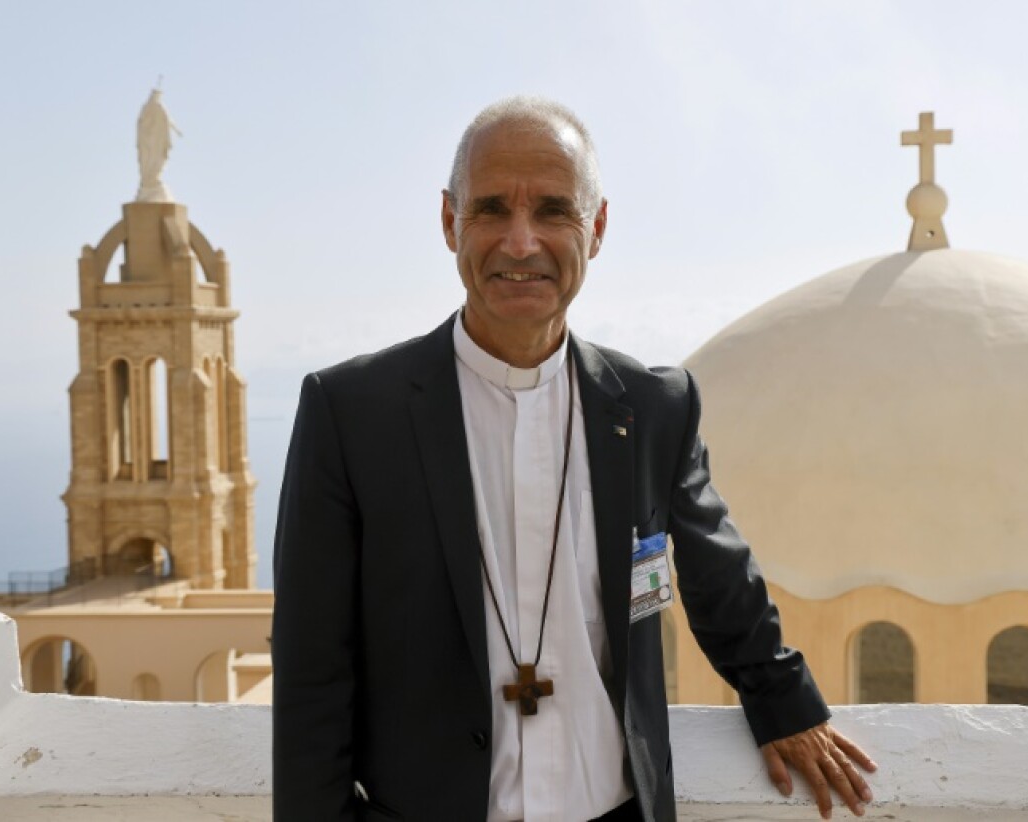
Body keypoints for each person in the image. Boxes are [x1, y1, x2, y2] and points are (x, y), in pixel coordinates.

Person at [273, 96, 877, 822]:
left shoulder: (654, 406)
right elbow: (312, 665)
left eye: (554, 211)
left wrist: (784, 703)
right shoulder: (351, 412)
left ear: (596, 228)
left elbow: (717, 576)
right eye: (492, 208)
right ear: (448, 222)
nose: (521, 242)